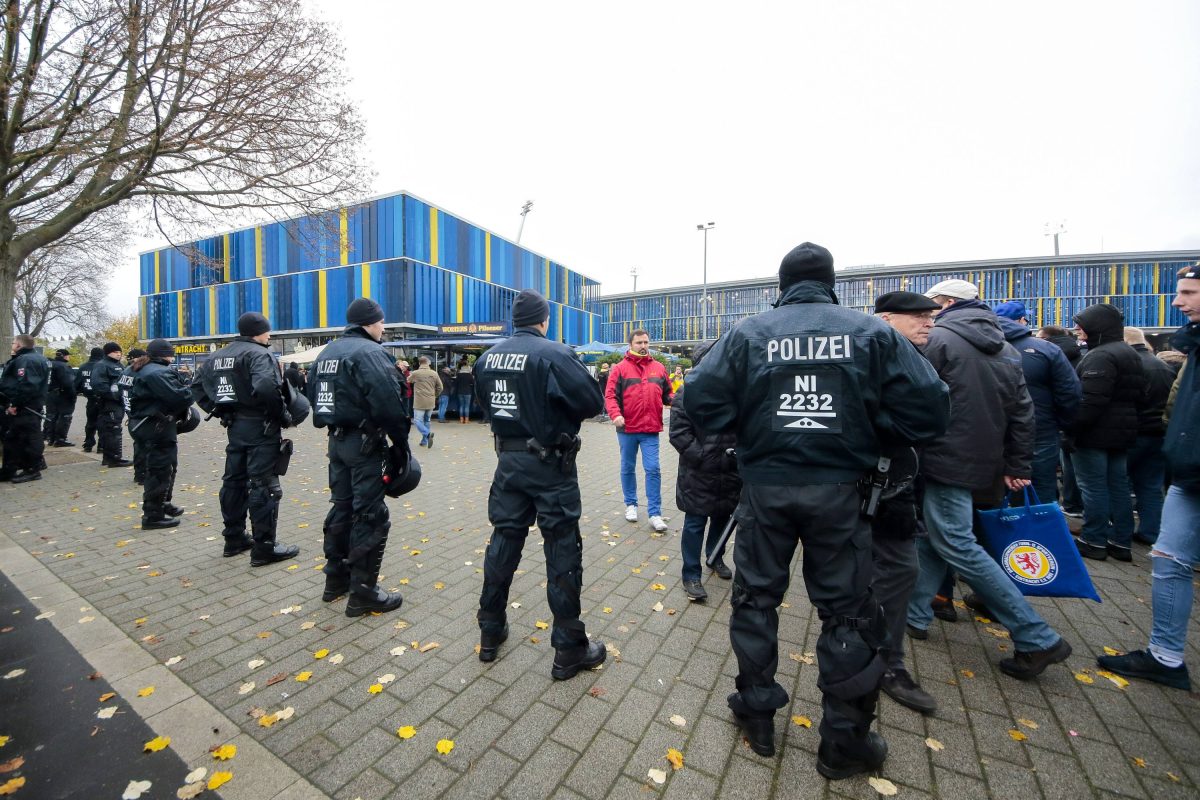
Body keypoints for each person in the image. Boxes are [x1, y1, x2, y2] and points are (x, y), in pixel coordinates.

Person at [685, 244, 949, 777]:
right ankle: (843, 744)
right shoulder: (872, 333)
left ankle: (756, 711)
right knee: (847, 612)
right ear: (832, 284)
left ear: (781, 286)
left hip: (766, 490)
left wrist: (752, 428)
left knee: (755, 600)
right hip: (841, 492)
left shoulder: (749, 332)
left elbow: (701, 399)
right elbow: (930, 408)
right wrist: (874, 429)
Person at [907, 279, 1072, 681]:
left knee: (955, 541)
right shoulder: (1004, 344)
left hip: (945, 456)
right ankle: (913, 614)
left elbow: (916, 399)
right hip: (984, 460)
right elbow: (1023, 410)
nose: (926, 316)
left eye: (930, 307)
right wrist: (1017, 464)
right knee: (934, 535)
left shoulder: (939, 339)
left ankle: (1036, 635)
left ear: (946, 303)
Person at [472, 289, 607, 679]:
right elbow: (590, 401)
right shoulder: (554, 353)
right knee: (563, 546)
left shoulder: (488, 357)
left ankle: (490, 629)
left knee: (505, 538)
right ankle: (568, 648)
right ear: (544, 320)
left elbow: (486, 404)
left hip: (509, 463)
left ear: (516, 320)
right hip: (551, 466)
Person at [1097, 264, 1200, 690]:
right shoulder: (1191, 347)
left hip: (1181, 464)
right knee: (1168, 560)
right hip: (1186, 471)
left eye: (1189, 292)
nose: (1178, 301)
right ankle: (1165, 656)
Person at [308, 298, 410, 616]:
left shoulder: (328, 352)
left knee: (342, 508)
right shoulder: (370, 353)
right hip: (365, 445)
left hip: (337, 442)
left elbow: (314, 395)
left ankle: (335, 581)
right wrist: (401, 443)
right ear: (368, 323)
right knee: (369, 515)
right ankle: (363, 592)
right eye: (381, 322)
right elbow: (389, 400)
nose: (384, 328)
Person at [870, 290, 945, 715]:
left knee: (898, 570)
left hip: (899, 486)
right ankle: (880, 662)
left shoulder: (915, 358)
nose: (928, 323)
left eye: (930, 316)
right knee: (897, 569)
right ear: (885, 319)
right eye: (917, 317)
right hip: (871, 487)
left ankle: (885, 660)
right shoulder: (873, 358)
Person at [193, 312, 299, 564]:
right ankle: (264, 548)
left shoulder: (217, 356)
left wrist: (220, 410)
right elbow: (265, 387)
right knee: (264, 485)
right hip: (260, 427)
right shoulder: (258, 354)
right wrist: (283, 415)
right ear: (257, 332)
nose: (270, 335)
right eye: (267, 331)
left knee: (234, 481)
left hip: (236, 428)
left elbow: (197, 387)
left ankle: (234, 538)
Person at [1069, 303, 1146, 562]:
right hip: (1121, 432)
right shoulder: (1128, 353)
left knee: (1093, 487)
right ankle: (1120, 541)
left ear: (1097, 326)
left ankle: (1094, 540)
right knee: (1118, 487)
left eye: (1082, 324)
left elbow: (1090, 401)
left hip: (1094, 434)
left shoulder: (1100, 356)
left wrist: (1071, 427)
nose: (1077, 329)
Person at [669, 340, 739, 602]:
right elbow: (678, 433)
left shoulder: (734, 391)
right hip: (699, 472)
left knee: (722, 517)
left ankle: (715, 556)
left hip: (729, 470)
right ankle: (690, 573)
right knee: (696, 522)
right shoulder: (686, 393)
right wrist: (702, 456)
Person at [993, 301, 1081, 504]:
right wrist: (1063, 424)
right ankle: (1038, 535)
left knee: (994, 494)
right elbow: (1070, 393)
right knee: (1040, 491)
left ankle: (1002, 534)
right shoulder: (1046, 349)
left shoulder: (981, 346)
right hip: (1040, 430)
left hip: (993, 432)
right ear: (1021, 320)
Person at [605, 329, 672, 532]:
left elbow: (668, 395)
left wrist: (683, 402)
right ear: (630, 345)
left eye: (646, 342)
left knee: (653, 469)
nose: (643, 346)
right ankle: (631, 505)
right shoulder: (620, 369)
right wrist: (615, 414)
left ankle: (654, 513)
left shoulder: (659, 368)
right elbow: (609, 396)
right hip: (627, 429)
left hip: (650, 429)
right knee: (628, 467)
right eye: (639, 343)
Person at [130, 339, 195, 529]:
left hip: (143, 424)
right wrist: (192, 389)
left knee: (161, 468)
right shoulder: (158, 372)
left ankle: (162, 504)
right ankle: (153, 515)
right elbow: (179, 397)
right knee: (160, 471)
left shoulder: (139, 368)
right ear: (165, 354)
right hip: (156, 427)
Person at [1124, 327, 1176, 546]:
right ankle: (1151, 532)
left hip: (1134, 432)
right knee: (1151, 486)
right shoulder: (1162, 365)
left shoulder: (1130, 365)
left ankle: (1120, 531)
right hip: (1159, 433)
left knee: (1119, 483)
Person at [0, 334, 51, 483]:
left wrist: (15, 404)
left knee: (29, 438)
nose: (13, 345)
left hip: (26, 406)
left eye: (14, 343)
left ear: (19, 345)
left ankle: (32, 469)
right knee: (13, 439)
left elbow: (27, 385)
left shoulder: (27, 360)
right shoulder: (35, 358)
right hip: (26, 405)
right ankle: (10, 469)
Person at [89, 342, 132, 467]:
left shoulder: (119, 365)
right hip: (109, 403)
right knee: (112, 429)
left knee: (112, 429)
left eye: (120, 352)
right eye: (115, 352)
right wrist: (114, 396)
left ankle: (110, 457)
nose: (119, 354)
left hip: (118, 403)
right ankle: (114, 458)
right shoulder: (102, 365)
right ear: (108, 352)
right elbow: (98, 385)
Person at [115, 348, 149, 484]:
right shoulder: (139, 372)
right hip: (142, 416)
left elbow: (118, 392)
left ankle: (139, 473)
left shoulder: (126, 371)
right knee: (146, 446)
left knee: (139, 446)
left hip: (132, 416)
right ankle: (144, 476)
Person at [44, 348, 78, 447]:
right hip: (62, 395)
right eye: (68, 355)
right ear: (64, 356)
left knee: (51, 416)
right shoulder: (63, 367)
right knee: (65, 417)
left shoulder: (49, 365)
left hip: (49, 393)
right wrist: (73, 395)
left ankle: (50, 437)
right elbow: (68, 383)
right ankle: (60, 439)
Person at [407, 356, 441, 449]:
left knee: (417, 420)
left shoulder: (415, 373)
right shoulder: (434, 373)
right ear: (428, 363)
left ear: (419, 363)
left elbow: (408, 380)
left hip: (419, 402)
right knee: (427, 420)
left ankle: (427, 434)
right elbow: (440, 387)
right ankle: (424, 441)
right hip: (430, 401)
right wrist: (435, 395)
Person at [76, 346, 104, 452]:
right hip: (102, 398)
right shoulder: (102, 366)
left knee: (90, 422)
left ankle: (88, 443)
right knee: (102, 423)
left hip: (90, 398)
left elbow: (77, 383)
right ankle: (101, 446)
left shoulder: (83, 367)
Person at [454, 358, 474, 423]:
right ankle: (466, 420)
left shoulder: (459, 375)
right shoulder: (469, 375)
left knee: (461, 406)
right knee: (467, 406)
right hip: (468, 392)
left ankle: (461, 420)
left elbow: (456, 383)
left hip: (460, 392)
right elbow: (473, 383)